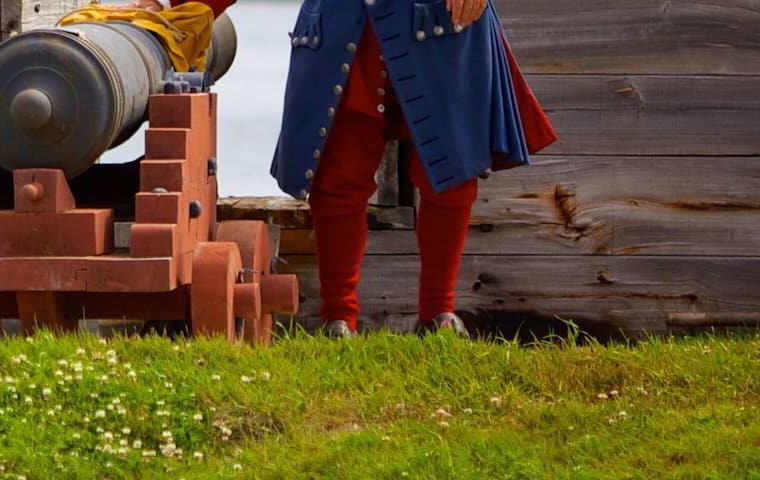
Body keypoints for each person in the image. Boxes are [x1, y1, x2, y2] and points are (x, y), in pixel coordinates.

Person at [122, 0, 558, 337]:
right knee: (337, 176)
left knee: (451, 169)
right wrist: (170, 5)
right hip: (346, 26)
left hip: (441, 19)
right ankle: (338, 321)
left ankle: (438, 316)